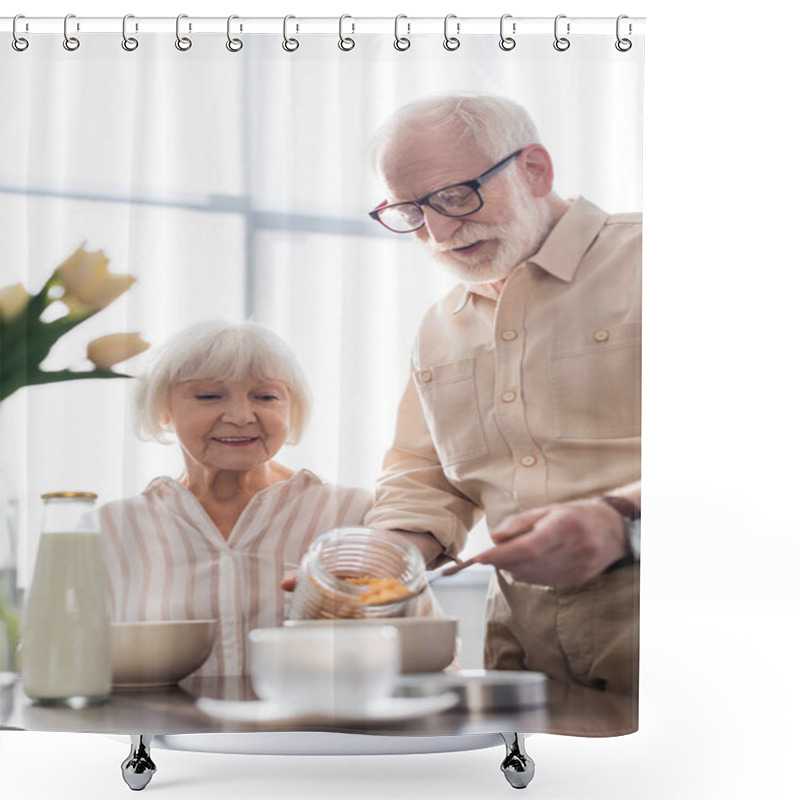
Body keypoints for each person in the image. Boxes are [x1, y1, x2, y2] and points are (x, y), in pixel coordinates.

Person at [363, 94, 641, 694]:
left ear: (535, 169)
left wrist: (624, 525)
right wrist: (386, 560)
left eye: (454, 196)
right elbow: (424, 473)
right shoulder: (439, 326)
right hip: (523, 662)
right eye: (410, 212)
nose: (437, 232)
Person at [100, 321, 373, 677]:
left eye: (266, 397)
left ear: (292, 408)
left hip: (321, 733)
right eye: (209, 396)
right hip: (166, 732)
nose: (242, 417)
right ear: (163, 409)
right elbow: (65, 660)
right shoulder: (113, 527)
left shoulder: (354, 514)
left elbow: (428, 654)